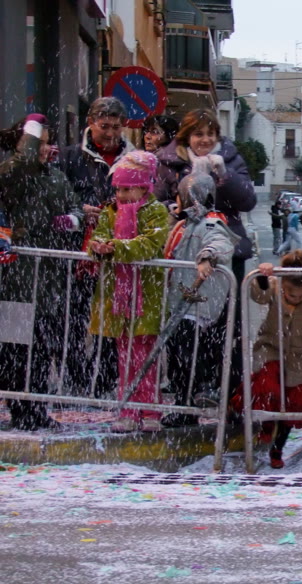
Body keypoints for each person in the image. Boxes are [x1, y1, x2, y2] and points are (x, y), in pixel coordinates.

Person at [156, 109, 256, 401]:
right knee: (183, 321)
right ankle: (187, 385)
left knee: (225, 323)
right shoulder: (169, 161)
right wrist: (173, 207)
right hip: (183, 248)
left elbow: (247, 199)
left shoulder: (230, 159)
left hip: (224, 250)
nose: (205, 140)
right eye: (198, 134)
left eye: (210, 134)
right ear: (186, 136)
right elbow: (156, 197)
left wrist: (224, 176)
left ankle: (224, 386)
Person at [0, 114, 82, 430]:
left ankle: (34, 409)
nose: (47, 149)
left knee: (41, 349)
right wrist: (32, 133)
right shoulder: (14, 172)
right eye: (40, 143)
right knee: (17, 349)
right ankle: (23, 409)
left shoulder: (56, 177)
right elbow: (22, 162)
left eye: (49, 142)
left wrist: (72, 220)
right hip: (16, 277)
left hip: (49, 277)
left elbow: (74, 205)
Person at [59, 96, 137, 397]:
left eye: (116, 127)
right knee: (73, 317)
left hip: (116, 251)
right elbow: (58, 196)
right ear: (90, 123)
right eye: (104, 126)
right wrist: (79, 210)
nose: (110, 134)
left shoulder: (133, 158)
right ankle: (76, 377)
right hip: (77, 252)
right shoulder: (69, 157)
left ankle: (103, 379)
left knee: (111, 318)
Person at [87, 151, 170, 433]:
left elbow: (150, 244)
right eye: (118, 189)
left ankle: (150, 410)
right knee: (124, 357)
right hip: (117, 297)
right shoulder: (110, 212)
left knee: (146, 356)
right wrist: (97, 247)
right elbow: (98, 236)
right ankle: (127, 410)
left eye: (126, 189)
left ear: (144, 187)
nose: (120, 195)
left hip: (146, 295)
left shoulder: (156, 211)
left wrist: (116, 248)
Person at [229, 250, 302, 469]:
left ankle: (278, 448)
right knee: (267, 389)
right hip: (271, 347)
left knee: (292, 404)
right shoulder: (276, 286)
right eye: (292, 295)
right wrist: (262, 276)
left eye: (301, 296)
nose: (296, 299)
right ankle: (264, 426)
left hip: (300, 354)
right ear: (284, 285)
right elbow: (259, 296)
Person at [160, 166, 239, 427]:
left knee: (187, 355)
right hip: (182, 301)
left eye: (180, 195)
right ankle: (185, 403)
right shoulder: (185, 224)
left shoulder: (210, 223)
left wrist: (208, 256)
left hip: (198, 305)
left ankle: (190, 402)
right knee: (178, 354)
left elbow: (221, 243)